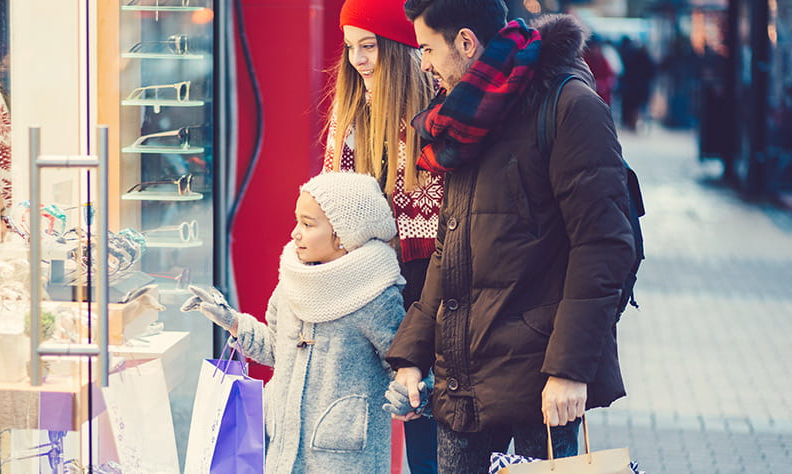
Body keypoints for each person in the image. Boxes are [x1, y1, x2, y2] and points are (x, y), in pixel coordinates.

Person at [384, 2, 637, 473]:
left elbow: (603, 246)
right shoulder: (465, 120)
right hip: (463, 384)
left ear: (465, 42)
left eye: (427, 49)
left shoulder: (569, 106)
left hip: (538, 391)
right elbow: (449, 248)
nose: (423, 64)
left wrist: (569, 369)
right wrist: (413, 355)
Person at [181, 172, 406, 473]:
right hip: (282, 446)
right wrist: (232, 321)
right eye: (297, 221)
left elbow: (403, 364)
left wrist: (410, 396)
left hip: (344, 458)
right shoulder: (292, 282)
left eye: (308, 224)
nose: (295, 233)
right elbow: (278, 349)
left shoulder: (376, 296)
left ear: (342, 233)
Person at [322, 0, 442, 471]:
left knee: (430, 428)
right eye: (351, 47)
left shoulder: (438, 110)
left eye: (368, 46)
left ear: (400, 48)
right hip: (373, 284)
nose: (358, 59)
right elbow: (334, 199)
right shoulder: (351, 113)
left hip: (431, 281)